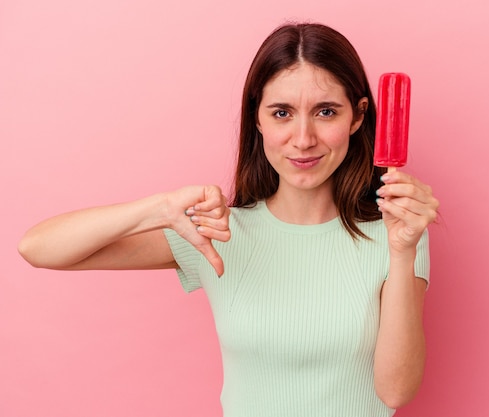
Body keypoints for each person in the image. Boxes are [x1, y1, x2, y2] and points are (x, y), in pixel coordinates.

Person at [18, 22, 439, 417]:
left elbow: (396, 390)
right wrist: (160, 209)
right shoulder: (218, 232)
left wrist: (401, 252)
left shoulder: (396, 232)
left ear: (359, 116)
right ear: (256, 118)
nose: (304, 138)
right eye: (281, 113)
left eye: (326, 111)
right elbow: (38, 248)